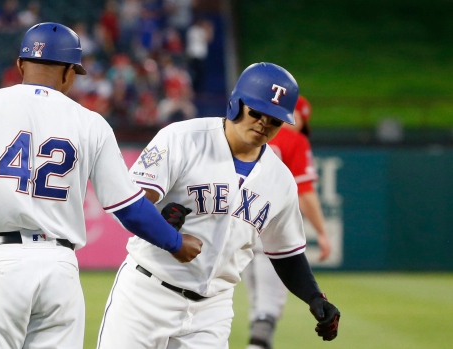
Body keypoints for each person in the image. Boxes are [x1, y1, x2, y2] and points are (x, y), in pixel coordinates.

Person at [0, 22, 203, 349]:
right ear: (69, 73)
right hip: (60, 270)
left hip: (0, 263)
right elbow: (130, 208)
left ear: (20, 65)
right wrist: (175, 242)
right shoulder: (91, 123)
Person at [96, 62, 340, 349]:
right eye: (257, 112)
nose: (264, 123)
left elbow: (287, 253)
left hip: (212, 310)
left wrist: (315, 297)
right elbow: (129, 203)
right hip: (147, 294)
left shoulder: (281, 179)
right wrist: (161, 222)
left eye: (275, 119)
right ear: (236, 103)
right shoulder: (182, 138)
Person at [242, 94, 333, 349]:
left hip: (236, 229)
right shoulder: (294, 139)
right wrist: (323, 234)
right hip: (270, 232)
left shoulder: (244, 133)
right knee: (267, 309)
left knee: (253, 305)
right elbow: (305, 193)